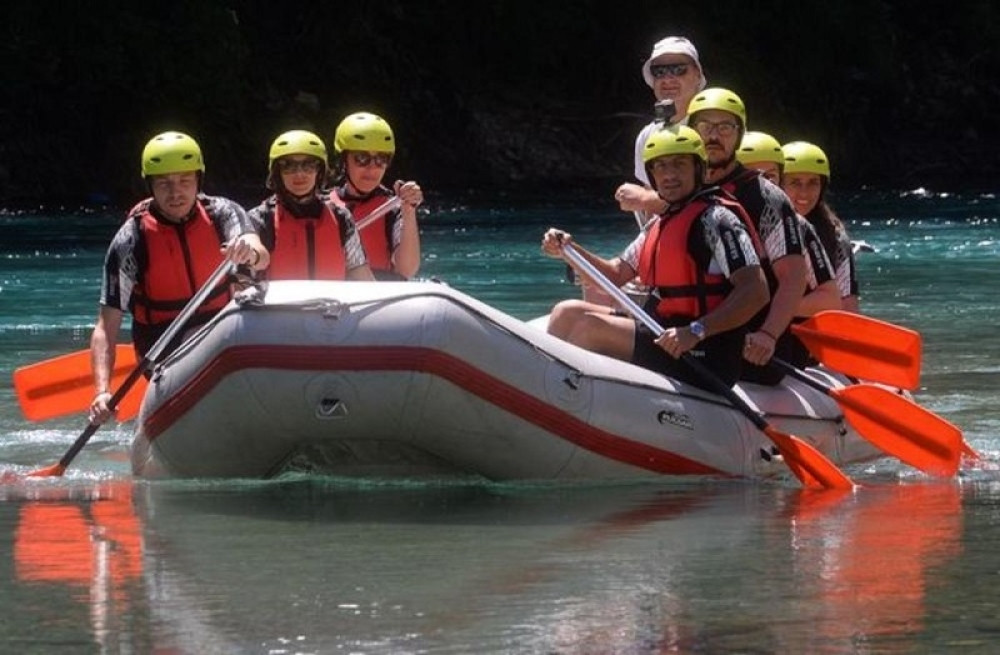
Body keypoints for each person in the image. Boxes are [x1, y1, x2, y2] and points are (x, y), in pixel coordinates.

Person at [542, 126, 769, 389]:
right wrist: (569, 250)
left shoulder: (718, 220)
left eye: (679, 164)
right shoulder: (661, 222)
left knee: (588, 327)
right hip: (663, 331)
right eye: (660, 167)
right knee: (566, 312)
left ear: (699, 169)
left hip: (704, 350)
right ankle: (544, 392)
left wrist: (696, 331)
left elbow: (757, 291)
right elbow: (614, 274)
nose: (669, 175)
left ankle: (563, 397)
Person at [89, 131, 269, 424]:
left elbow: (260, 252)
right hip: (163, 344)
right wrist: (101, 392)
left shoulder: (223, 213)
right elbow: (105, 327)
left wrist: (251, 251)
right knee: (206, 349)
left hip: (220, 328)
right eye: (164, 184)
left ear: (199, 181)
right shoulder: (130, 241)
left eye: (185, 181)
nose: (176, 193)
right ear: (150, 186)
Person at [687, 88, 811, 384]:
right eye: (705, 126)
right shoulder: (682, 191)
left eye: (725, 127)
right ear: (691, 131)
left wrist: (768, 334)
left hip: (750, 347)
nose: (714, 136)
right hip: (691, 336)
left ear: (740, 134)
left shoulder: (767, 197)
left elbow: (794, 277)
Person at [737, 131, 843, 367]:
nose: (762, 184)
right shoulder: (715, 218)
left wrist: (767, 309)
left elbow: (834, 301)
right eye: (753, 175)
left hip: (782, 345)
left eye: (770, 176)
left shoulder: (799, 227)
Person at [247, 129, 374, 282]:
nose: (299, 174)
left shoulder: (341, 217)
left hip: (332, 305)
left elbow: (361, 274)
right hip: (279, 306)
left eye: (308, 165)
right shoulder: (260, 219)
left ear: (319, 171)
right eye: (288, 165)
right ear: (277, 173)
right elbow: (244, 279)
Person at [615, 36, 708, 222]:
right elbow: (651, 219)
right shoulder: (647, 136)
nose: (668, 79)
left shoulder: (716, 129)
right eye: (659, 71)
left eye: (679, 69)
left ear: (698, 75)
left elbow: (720, 201)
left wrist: (645, 199)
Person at [330, 112, 423, 281]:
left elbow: (407, 270)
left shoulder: (393, 208)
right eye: (361, 158)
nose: (372, 168)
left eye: (381, 159)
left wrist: (409, 211)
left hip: (378, 298)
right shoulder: (323, 206)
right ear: (344, 161)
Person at [781, 141, 860, 312]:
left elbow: (848, 305)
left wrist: (774, 311)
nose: (804, 193)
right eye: (795, 182)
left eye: (813, 183)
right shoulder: (762, 226)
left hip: (808, 330)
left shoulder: (835, 235)